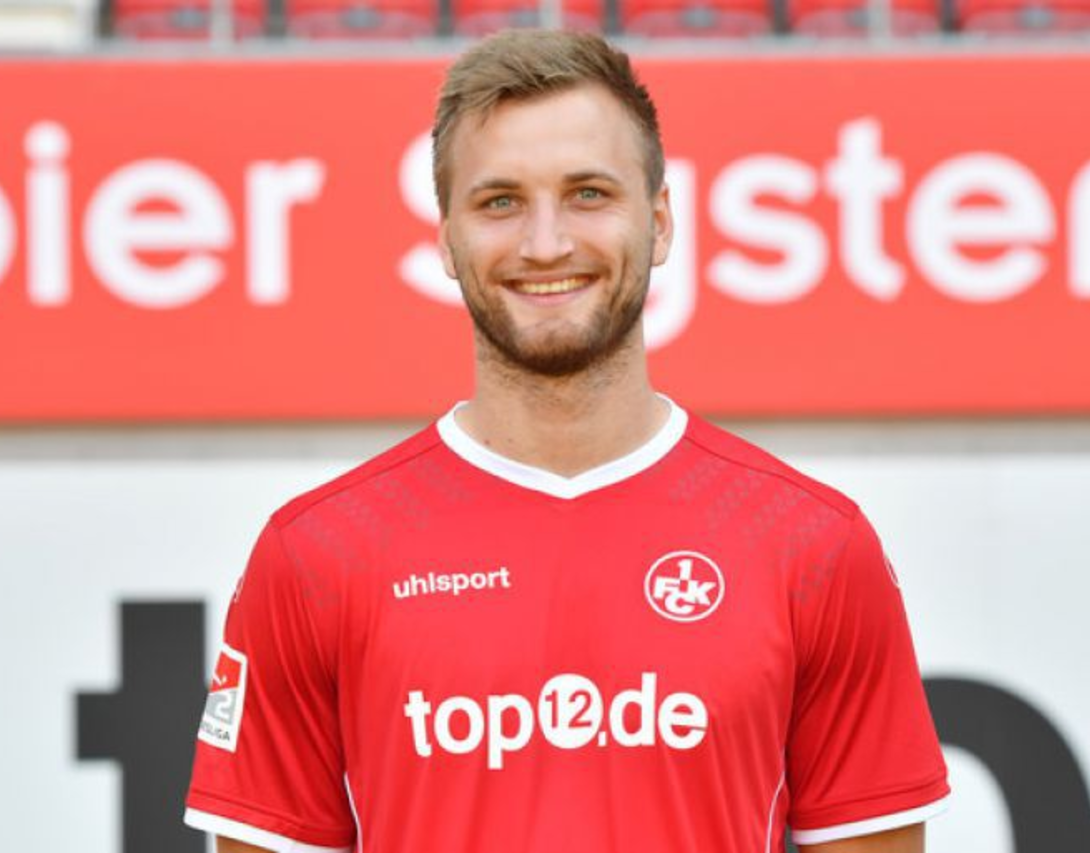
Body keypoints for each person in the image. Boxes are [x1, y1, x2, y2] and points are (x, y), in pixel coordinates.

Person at [184, 29, 949, 853]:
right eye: (499, 201)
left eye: (588, 193)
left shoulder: (813, 547)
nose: (545, 243)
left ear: (660, 222)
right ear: (445, 238)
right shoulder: (317, 557)